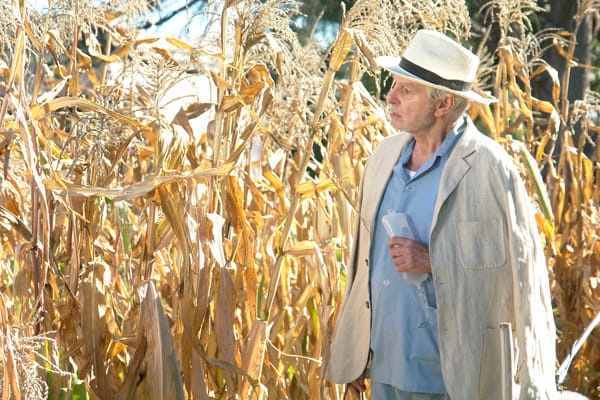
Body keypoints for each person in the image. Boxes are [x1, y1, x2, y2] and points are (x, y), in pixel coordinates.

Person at [325, 29, 557, 399]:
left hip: (453, 379)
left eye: (407, 90)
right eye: (395, 85)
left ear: (443, 104)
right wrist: (357, 353)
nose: (391, 97)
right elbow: (363, 266)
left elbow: (521, 277)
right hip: (383, 367)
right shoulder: (382, 157)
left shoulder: (490, 168)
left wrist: (434, 260)